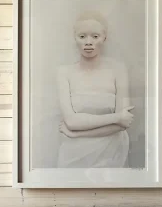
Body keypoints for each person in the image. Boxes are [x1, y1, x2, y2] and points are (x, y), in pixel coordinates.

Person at [56, 11, 133, 168]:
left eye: (95, 36)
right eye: (82, 36)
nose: (88, 42)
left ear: (104, 37)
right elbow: (71, 121)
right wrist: (116, 117)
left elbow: (123, 124)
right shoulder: (64, 73)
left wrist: (76, 133)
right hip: (74, 152)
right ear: (74, 37)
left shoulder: (118, 70)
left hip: (111, 151)